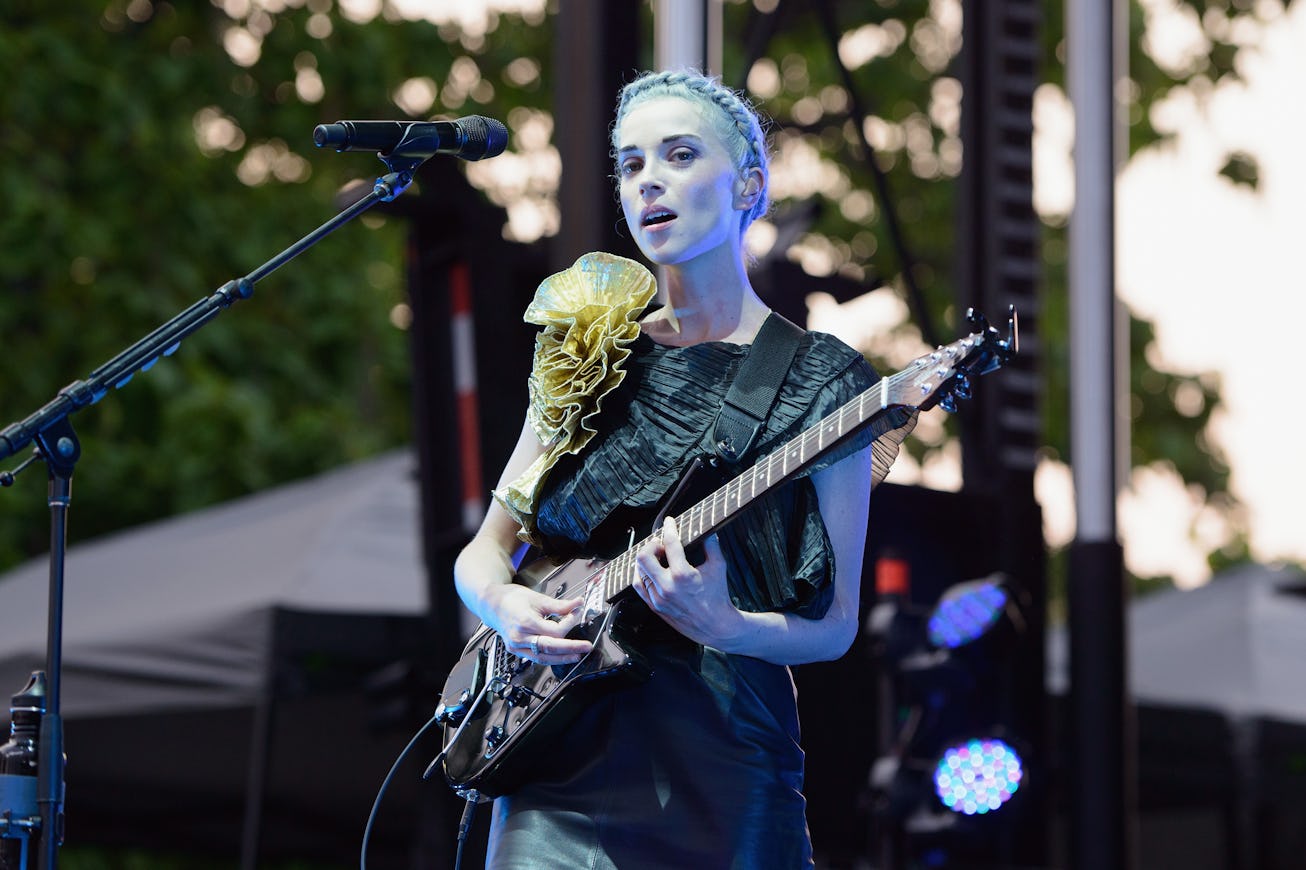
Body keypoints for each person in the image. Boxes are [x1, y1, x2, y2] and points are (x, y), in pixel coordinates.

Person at [452, 69, 916, 868]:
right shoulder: (584, 347)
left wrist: (727, 624)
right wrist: (502, 603)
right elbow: (485, 550)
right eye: (631, 165)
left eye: (677, 155)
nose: (648, 182)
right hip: (555, 759)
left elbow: (835, 627)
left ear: (749, 184)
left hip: (723, 762)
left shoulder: (823, 381)